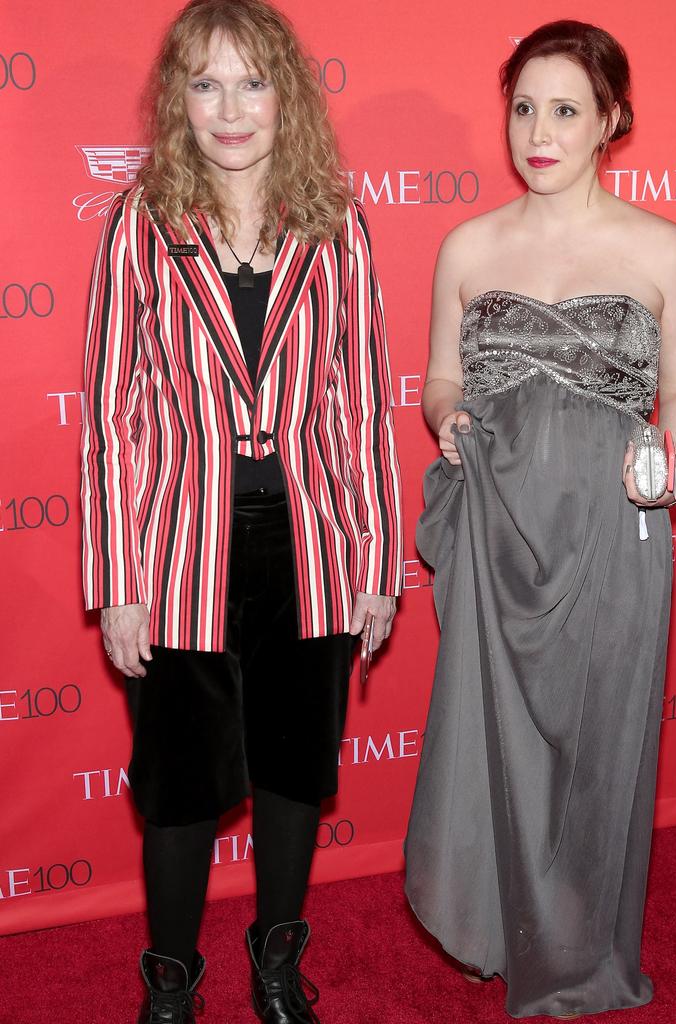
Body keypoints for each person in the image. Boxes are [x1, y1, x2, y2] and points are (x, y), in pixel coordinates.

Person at [80, 1, 402, 1021]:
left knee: (296, 775)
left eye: (252, 83)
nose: (230, 109)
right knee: (177, 786)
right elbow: (111, 414)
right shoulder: (141, 224)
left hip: (309, 547)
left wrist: (377, 564)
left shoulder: (338, 221)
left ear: (287, 98)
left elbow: (360, 407)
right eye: (206, 83)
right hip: (180, 550)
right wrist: (119, 581)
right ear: (179, 98)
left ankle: (275, 961)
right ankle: (171, 980)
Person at [404, 20, 676, 1020]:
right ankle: (499, 928)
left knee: (598, 750)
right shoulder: (469, 243)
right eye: (525, 107)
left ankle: (580, 955)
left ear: (611, 121)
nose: (539, 131)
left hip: (613, 534)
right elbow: (441, 377)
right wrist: (448, 418)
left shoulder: (664, 247)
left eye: (566, 110)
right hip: (498, 533)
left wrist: (670, 464)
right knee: (500, 745)